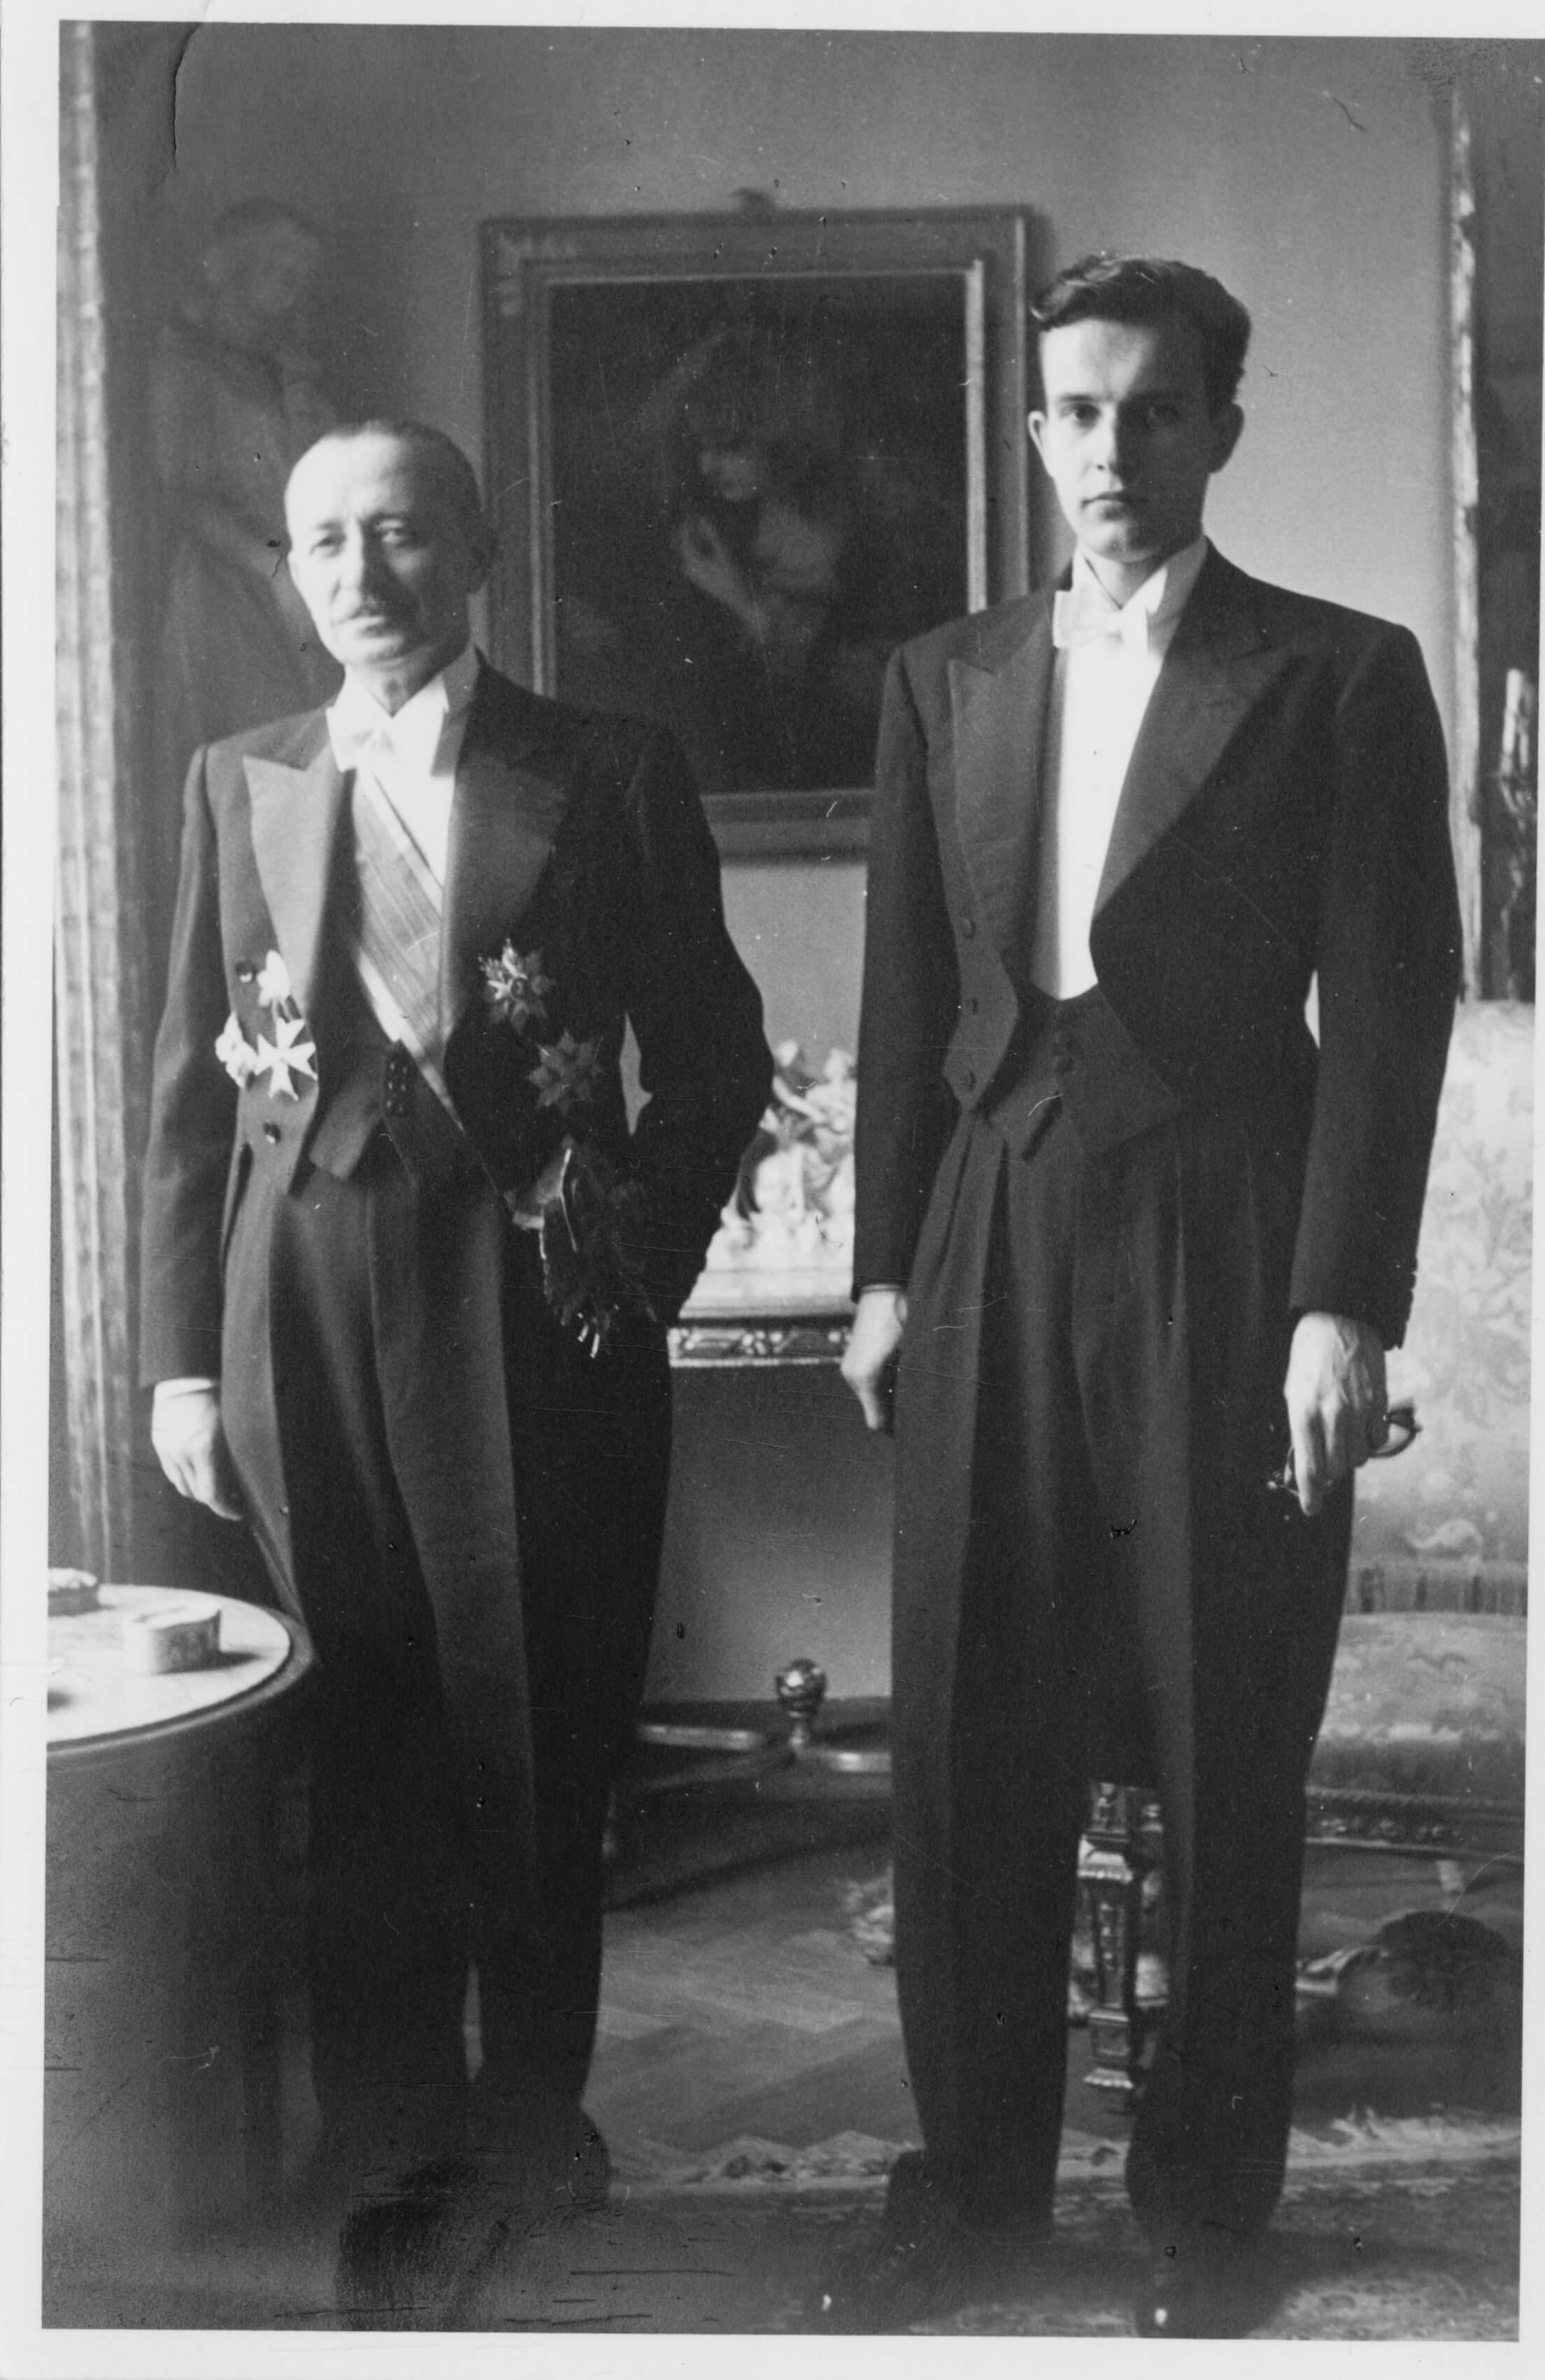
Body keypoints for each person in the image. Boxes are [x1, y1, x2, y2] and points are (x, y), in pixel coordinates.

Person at [827, 255, 1461, 2337]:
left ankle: (1199, 2204)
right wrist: (883, 1269)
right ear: (1034, 432)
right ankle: (966, 2188)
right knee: (963, 1727)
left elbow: (1384, 1010)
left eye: (1151, 410)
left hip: (1222, 1223)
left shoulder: (1335, 673)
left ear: (1217, 429)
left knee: (1218, 1729)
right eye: (1075, 411)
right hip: (990, 1219)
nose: (1108, 448)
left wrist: (1334, 1302)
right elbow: (905, 995)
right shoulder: (941, 675)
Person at [140, 419, 771, 2325]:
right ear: (293, 569)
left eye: (401, 531)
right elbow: (187, 1107)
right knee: (359, 1727)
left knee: (534, 1721)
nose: (361, 572)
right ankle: (382, 2126)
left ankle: (529, 2117)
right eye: (324, 540)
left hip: (530, 1306)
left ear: (475, 547)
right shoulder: (238, 777)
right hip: (300, 1308)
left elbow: (714, 1059)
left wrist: (633, 1265)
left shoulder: (606, 768)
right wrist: (179, 1368)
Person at [148, 201, 341, 949]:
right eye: (274, 266)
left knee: (309, 768)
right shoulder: (184, 363)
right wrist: (271, 571)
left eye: (300, 274)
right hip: (229, 588)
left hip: (298, 588)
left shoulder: (290, 371)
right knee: (250, 766)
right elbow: (183, 495)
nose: (288, 285)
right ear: (230, 267)